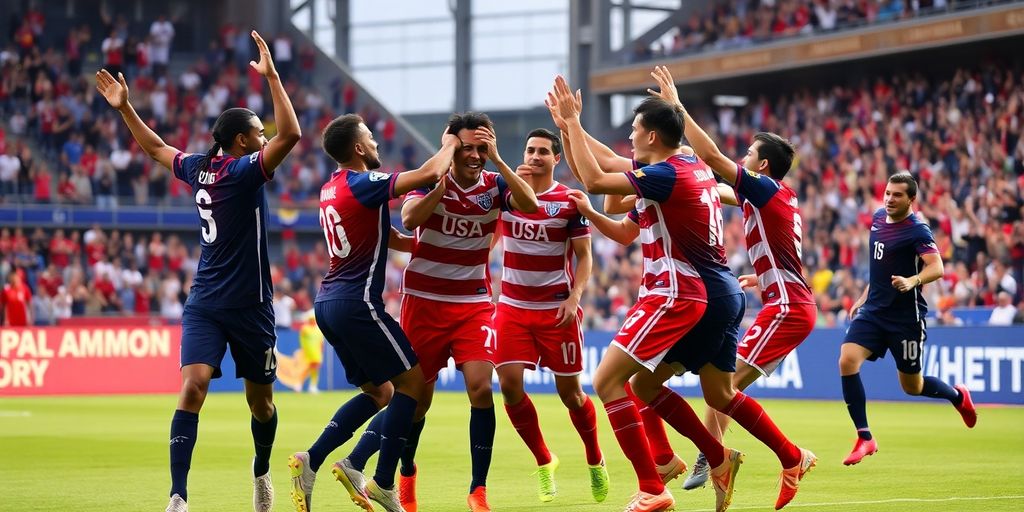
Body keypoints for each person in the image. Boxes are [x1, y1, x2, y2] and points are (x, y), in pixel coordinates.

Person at [96, 30, 301, 512]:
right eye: (257, 132)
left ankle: (260, 471)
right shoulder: (238, 169)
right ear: (240, 141)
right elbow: (291, 134)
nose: (265, 137)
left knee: (261, 404)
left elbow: (158, 149)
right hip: (207, 303)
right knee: (193, 386)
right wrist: (272, 78)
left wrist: (127, 108)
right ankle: (178, 497)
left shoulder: (203, 167)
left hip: (253, 307)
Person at [342, 112, 539, 512]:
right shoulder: (429, 178)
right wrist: (442, 183)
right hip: (423, 303)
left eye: (482, 148)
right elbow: (411, 219)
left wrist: (500, 161)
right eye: (468, 147)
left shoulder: (495, 185)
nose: (475, 155)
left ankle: (478, 490)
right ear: (452, 146)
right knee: (416, 403)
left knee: (482, 388)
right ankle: (407, 474)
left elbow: (531, 204)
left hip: (473, 304)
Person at [647, 66, 818, 509]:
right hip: (782, 301)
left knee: (724, 388)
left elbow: (713, 161)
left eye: (748, 154)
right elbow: (710, 187)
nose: (740, 159)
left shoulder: (763, 188)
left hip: (786, 308)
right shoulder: (774, 195)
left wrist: (678, 109)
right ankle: (748, 455)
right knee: (721, 388)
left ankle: (717, 454)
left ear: (762, 166)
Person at [286, 113, 459, 512]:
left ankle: (311, 459)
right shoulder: (363, 181)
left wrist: (434, 246)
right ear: (359, 149)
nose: (377, 144)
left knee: (379, 392)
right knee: (412, 388)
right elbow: (429, 171)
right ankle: (382, 482)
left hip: (328, 303)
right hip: (357, 302)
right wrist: (449, 142)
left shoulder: (332, 188)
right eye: (371, 138)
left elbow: (389, 237)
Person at [493, 128, 609, 503]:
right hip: (511, 306)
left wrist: (576, 297)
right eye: (530, 149)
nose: (535, 156)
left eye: (543, 151)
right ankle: (545, 461)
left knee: (571, 394)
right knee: (509, 387)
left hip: (556, 310)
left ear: (556, 159)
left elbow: (585, 256)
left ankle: (595, 458)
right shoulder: (506, 195)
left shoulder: (569, 201)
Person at [839, 173, 976, 466]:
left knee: (911, 386)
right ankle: (865, 437)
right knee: (847, 359)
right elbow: (879, 268)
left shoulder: (918, 231)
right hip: (874, 312)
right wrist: (863, 298)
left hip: (906, 320)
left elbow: (936, 267)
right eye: (887, 193)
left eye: (897, 195)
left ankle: (957, 396)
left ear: (911, 199)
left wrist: (913, 280)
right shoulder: (877, 219)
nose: (889, 199)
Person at [296, 310, 324, 393]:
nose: (312, 320)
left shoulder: (318, 329)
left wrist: (321, 350)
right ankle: (299, 384)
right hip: (307, 352)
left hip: (317, 352)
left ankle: (313, 386)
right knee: (306, 368)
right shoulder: (305, 328)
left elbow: (321, 342)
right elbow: (302, 339)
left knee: (315, 368)